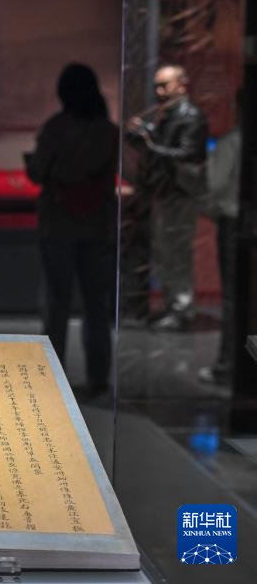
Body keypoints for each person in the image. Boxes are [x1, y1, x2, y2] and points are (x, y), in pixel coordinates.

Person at [25, 64, 118, 398]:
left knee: (57, 303)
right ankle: (98, 376)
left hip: (58, 222)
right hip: (99, 224)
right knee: (97, 305)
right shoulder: (108, 131)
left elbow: (39, 171)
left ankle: (53, 376)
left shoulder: (56, 128)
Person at [126, 64, 209, 332]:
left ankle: (181, 310)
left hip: (180, 193)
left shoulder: (191, 115)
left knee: (177, 252)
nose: (160, 91)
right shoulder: (168, 113)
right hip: (165, 191)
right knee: (165, 252)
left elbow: (188, 154)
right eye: (157, 86)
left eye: (165, 85)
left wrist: (149, 144)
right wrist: (144, 136)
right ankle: (174, 305)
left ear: (181, 85)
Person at [198, 93, 242, 383]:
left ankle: (228, 365)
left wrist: (212, 208)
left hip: (234, 224)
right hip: (236, 220)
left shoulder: (232, 142)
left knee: (233, 298)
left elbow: (213, 185)